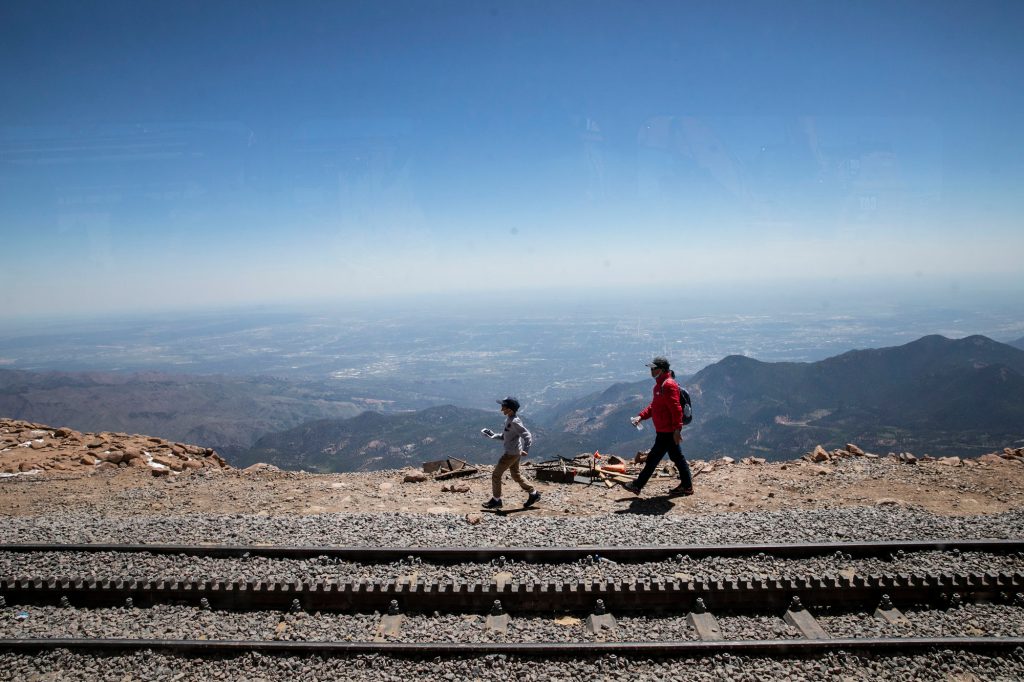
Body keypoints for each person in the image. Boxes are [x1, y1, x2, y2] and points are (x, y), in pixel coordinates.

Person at [625, 356, 694, 497]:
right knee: (678, 458)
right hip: (664, 430)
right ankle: (687, 487)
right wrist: (641, 416)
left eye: (653, 368)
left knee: (653, 459)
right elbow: (654, 407)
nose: (651, 371)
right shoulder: (659, 386)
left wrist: (677, 429)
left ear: (661, 370)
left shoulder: (668, 385)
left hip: (668, 431)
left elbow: (676, 409)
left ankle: (637, 486)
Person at [481, 397, 541, 509]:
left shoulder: (514, 421)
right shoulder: (509, 419)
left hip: (511, 454)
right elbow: (506, 436)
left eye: (503, 407)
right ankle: (533, 494)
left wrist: (526, 449)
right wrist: (493, 435)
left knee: (496, 475)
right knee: (516, 475)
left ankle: (496, 500)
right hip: (515, 452)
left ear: (510, 409)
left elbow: (527, 436)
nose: (501, 409)